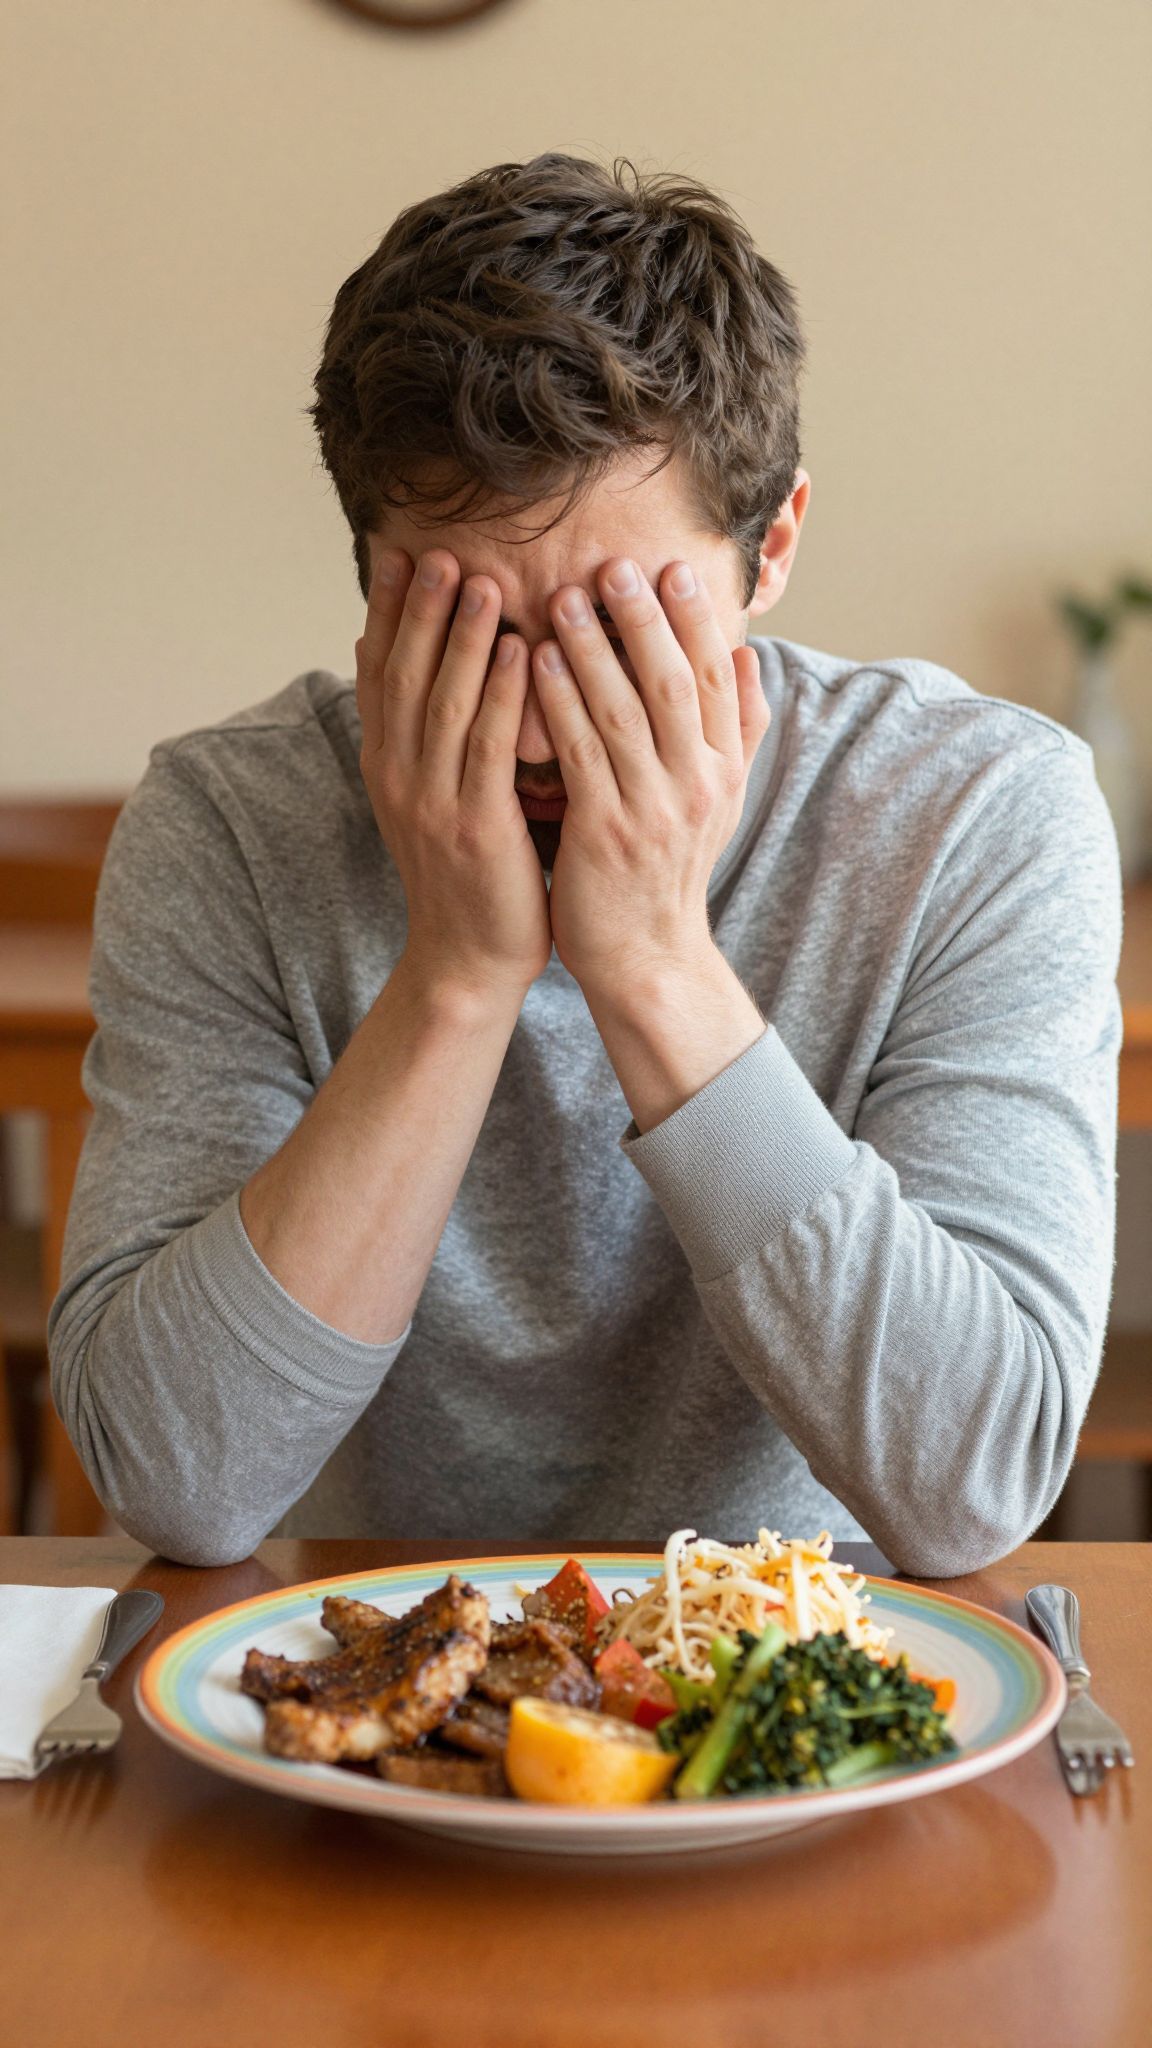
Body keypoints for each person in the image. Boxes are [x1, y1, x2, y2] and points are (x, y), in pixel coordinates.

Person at [48, 154, 1122, 1573]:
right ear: (369, 578)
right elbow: (177, 1483)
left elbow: (971, 1480)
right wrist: (457, 974)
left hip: (808, 1699)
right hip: (363, 1698)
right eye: (471, 631)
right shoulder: (229, 826)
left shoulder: (977, 813)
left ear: (772, 545)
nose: (550, 717)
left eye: (618, 633)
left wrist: (655, 961)